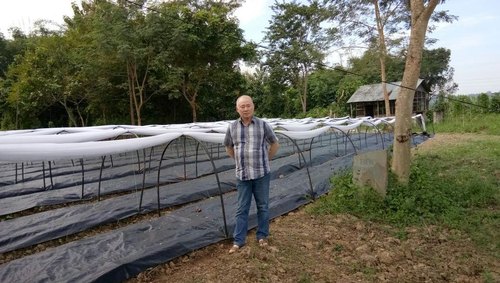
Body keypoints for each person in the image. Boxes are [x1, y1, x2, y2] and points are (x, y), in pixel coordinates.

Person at [224, 95, 280, 254]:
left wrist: (267, 159)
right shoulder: (232, 127)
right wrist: (239, 160)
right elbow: (228, 147)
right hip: (242, 175)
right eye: (242, 106)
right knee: (242, 208)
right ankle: (238, 240)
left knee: (263, 206)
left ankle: (262, 236)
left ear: (253, 107)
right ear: (237, 109)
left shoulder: (263, 125)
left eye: (248, 105)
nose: (245, 109)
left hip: (262, 173)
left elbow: (275, 143)